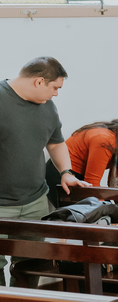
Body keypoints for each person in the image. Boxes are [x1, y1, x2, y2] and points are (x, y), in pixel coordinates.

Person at [0, 57, 86, 285]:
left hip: (34, 200)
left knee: (31, 262)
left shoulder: (47, 106)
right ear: (39, 82)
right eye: (55, 87)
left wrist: (66, 171)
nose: (57, 93)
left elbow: (56, 143)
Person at [46, 110, 118, 205]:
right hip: (62, 177)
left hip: (81, 180)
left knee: (111, 214)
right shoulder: (105, 140)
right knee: (97, 219)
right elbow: (92, 183)